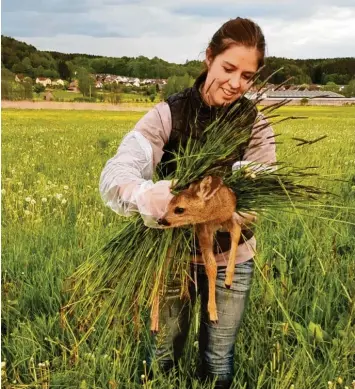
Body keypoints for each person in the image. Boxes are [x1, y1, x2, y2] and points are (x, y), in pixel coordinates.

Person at [99, 17, 276, 389]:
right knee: (162, 353)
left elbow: (265, 190)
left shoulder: (256, 125)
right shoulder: (169, 114)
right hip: (170, 254)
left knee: (218, 360)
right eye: (228, 68)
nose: (235, 84)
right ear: (209, 58)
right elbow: (120, 171)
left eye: (247, 76)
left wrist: (236, 196)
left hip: (232, 257)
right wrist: (142, 195)